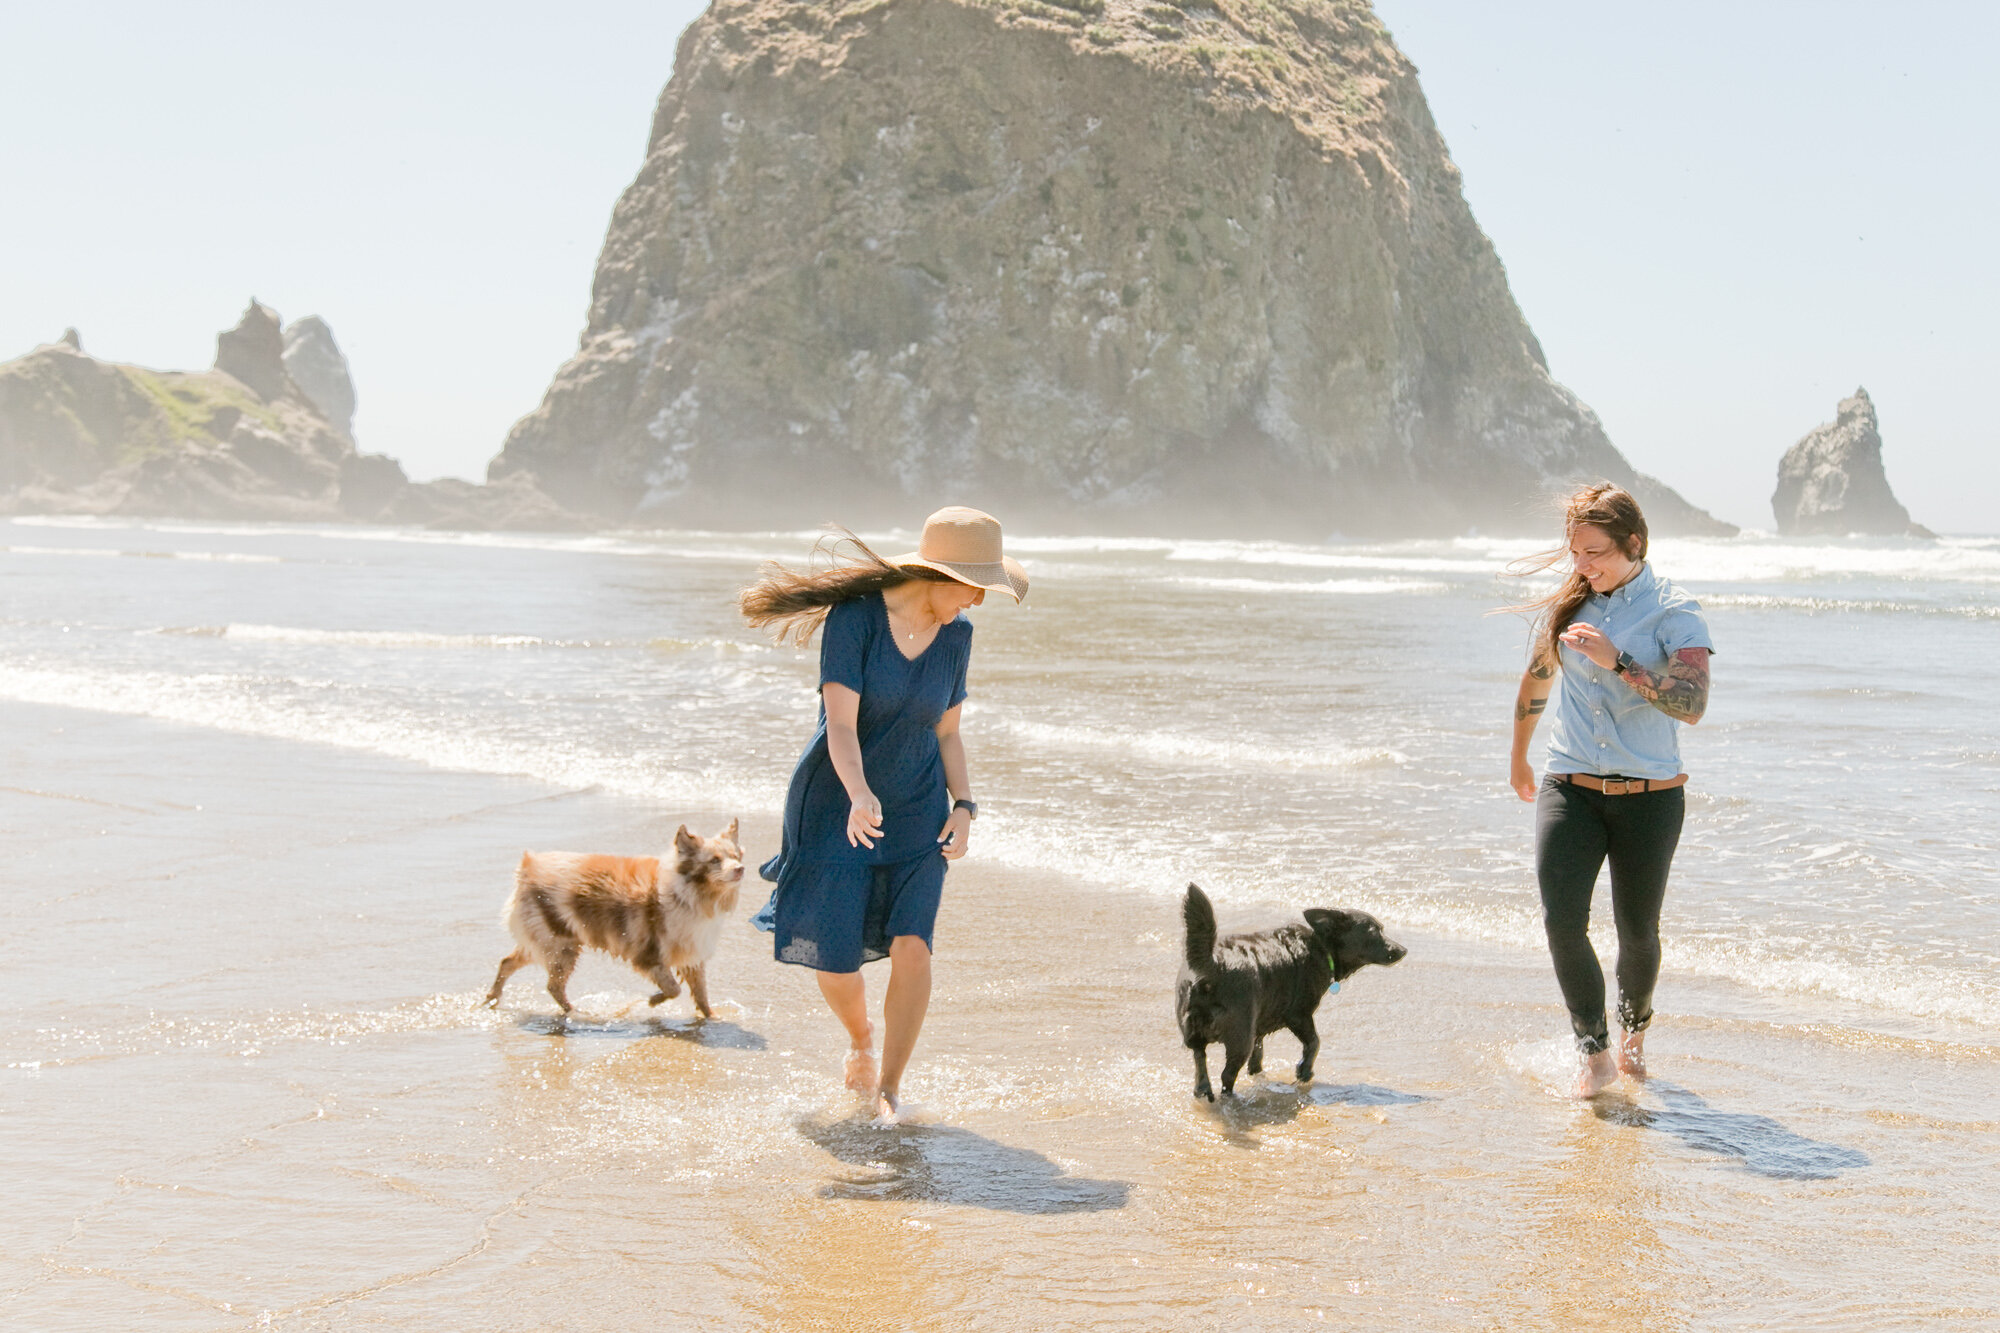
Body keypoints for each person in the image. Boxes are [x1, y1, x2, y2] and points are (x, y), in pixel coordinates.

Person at [739, 506, 1027, 1122]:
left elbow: (948, 732)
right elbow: (840, 726)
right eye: (975, 586)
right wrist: (859, 793)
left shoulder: (958, 637)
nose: (978, 600)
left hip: (919, 808)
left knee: (913, 945)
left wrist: (965, 806)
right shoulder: (857, 619)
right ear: (941, 576)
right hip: (837, 803)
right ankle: (861, 1037)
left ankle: (889, 1089)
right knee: (834, 955)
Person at [1505, 483, 1713, 1099]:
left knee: (1637, 932)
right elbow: (1537, 678)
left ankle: (1632, 1037)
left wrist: (1618, 660)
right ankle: (1594, 1053)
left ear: (1634, 544)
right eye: (1575, 552)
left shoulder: (1676, 611)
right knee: (1561, 921)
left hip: (1650, 796)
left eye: (1593, 552)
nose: (1581, 565)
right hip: (1569, 784)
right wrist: (1519, 756)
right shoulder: (1571, 605)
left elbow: (1692, 704)